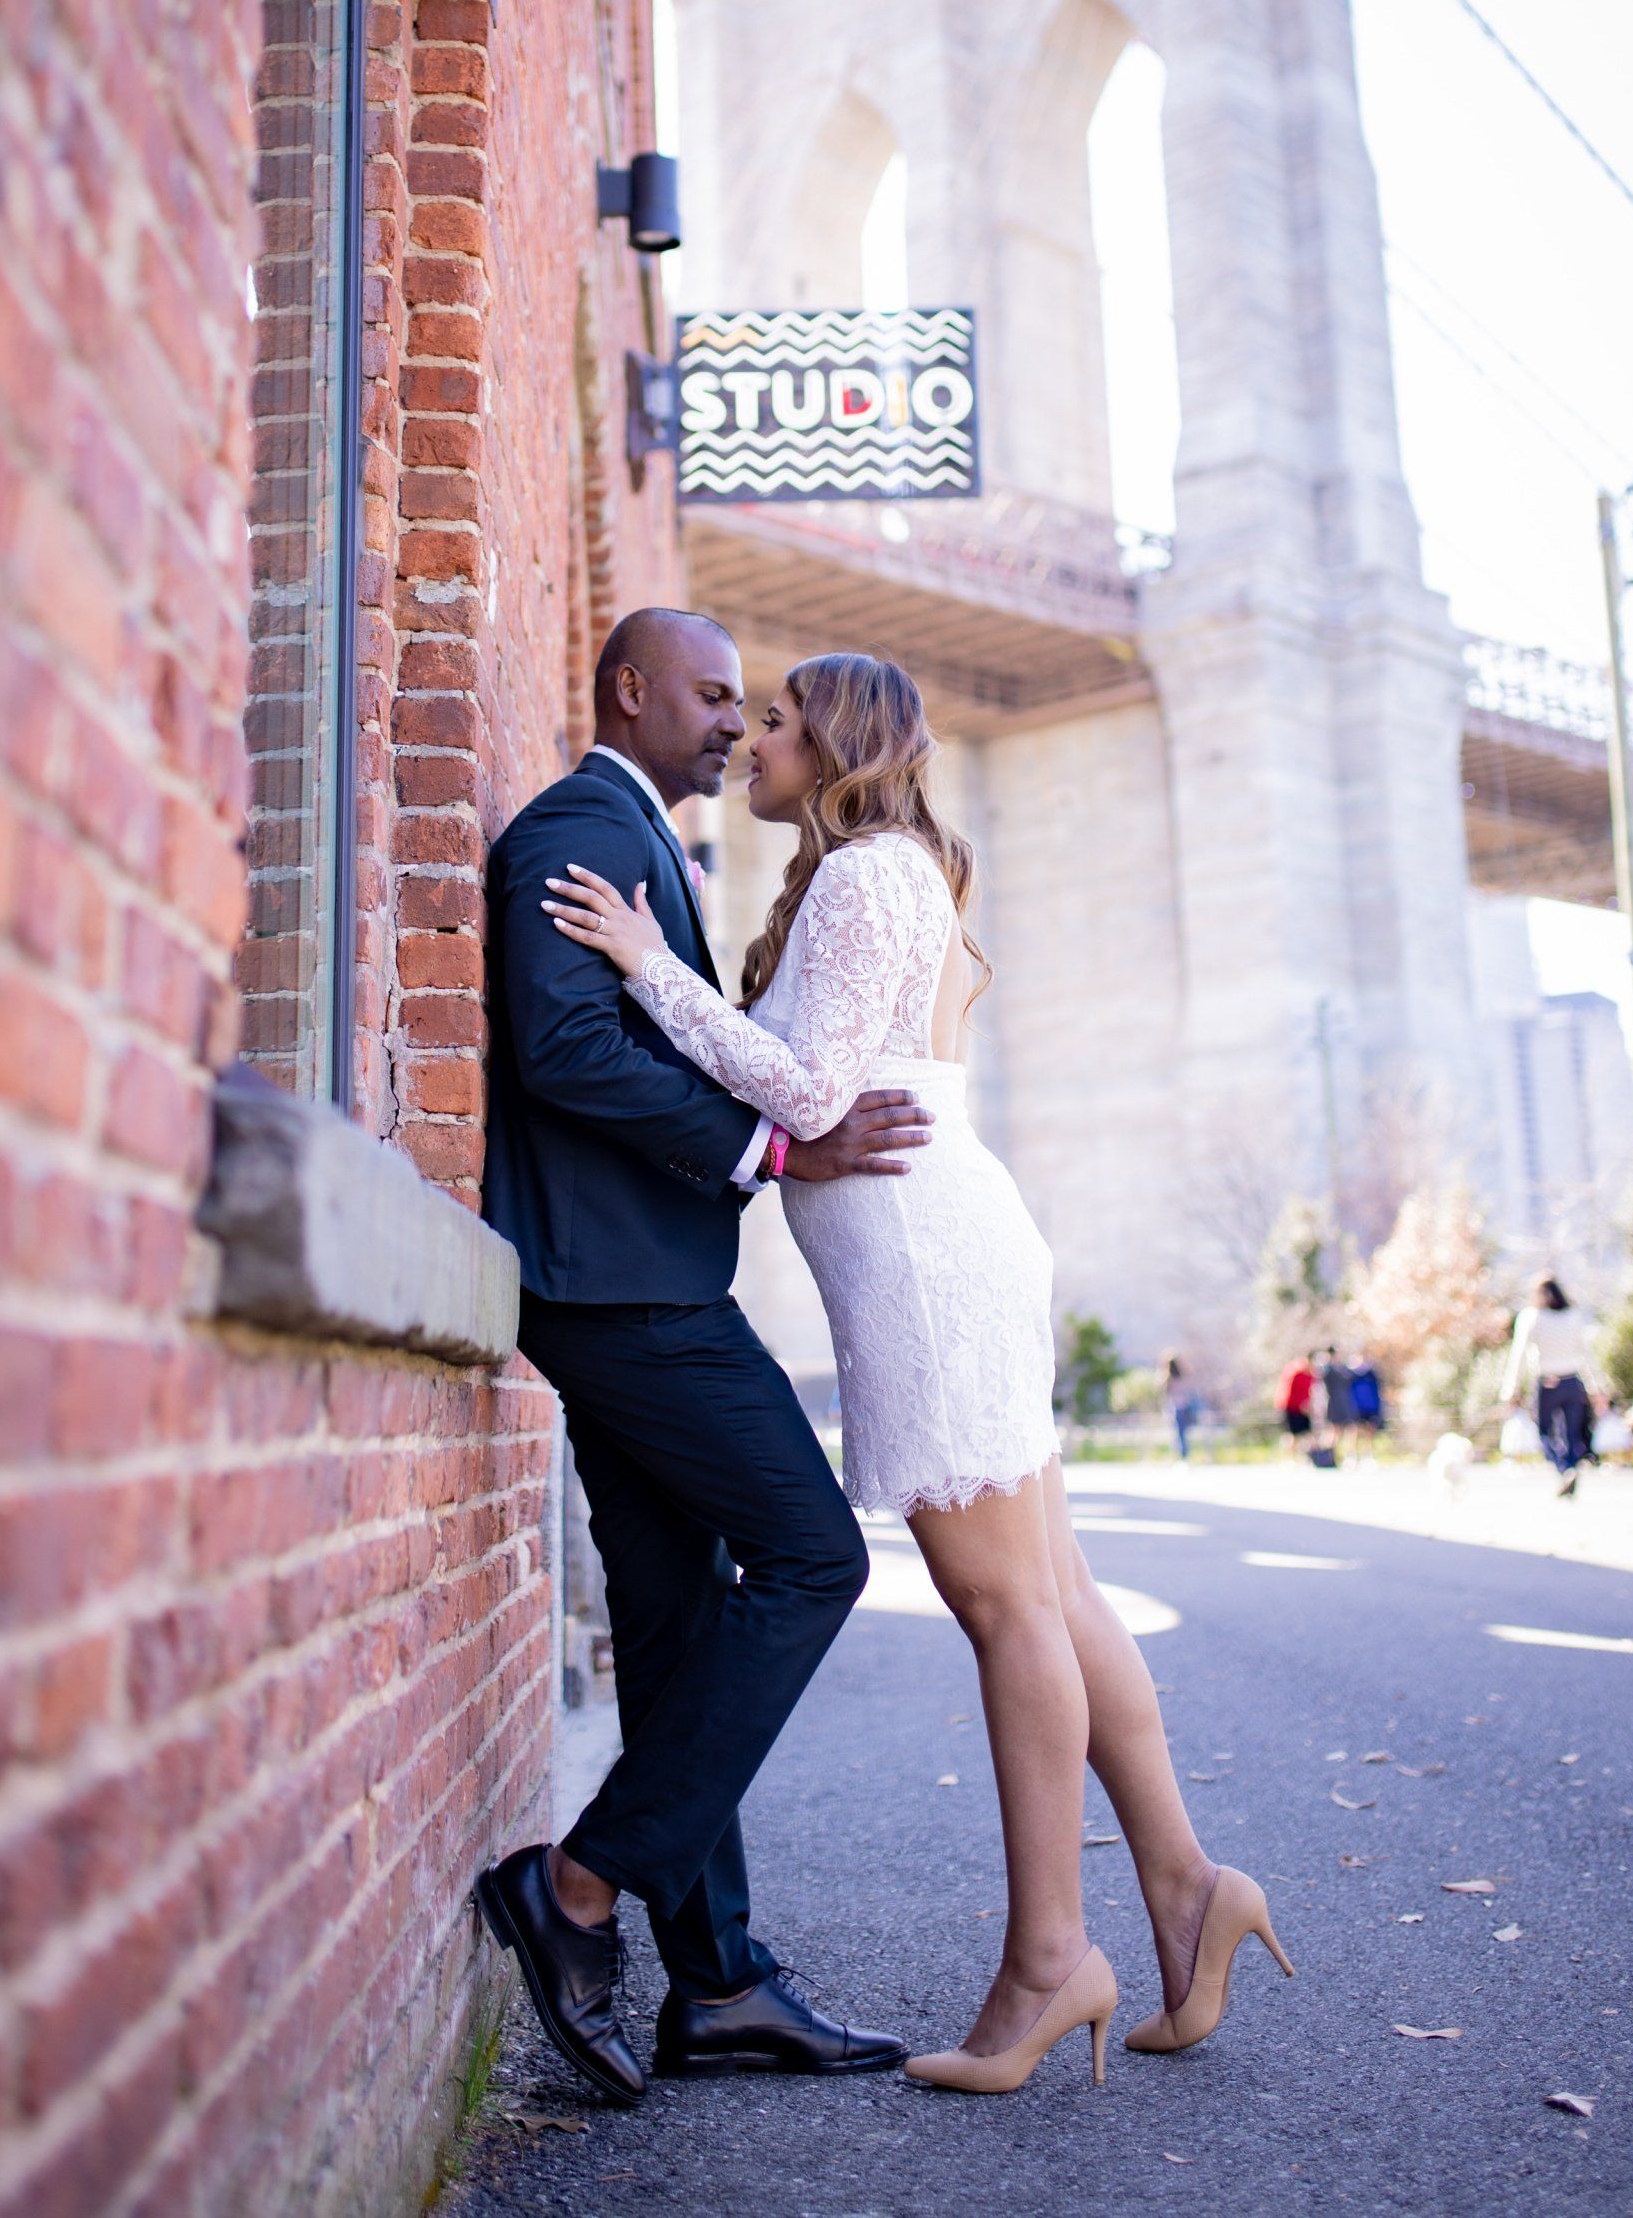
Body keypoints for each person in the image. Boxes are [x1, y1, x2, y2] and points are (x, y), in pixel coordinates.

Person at [549, 645, 1292, 2096]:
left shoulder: (869, 872)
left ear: (841, 741)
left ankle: (1047, 1962)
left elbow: (813, 1090)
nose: (750, 741)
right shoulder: (892, 871)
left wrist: (645, 970)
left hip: (926, 1265)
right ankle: (1188, 1891)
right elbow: (821, 1072)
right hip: (937, 1246)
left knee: (1007, 1602)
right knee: (1054, 1592)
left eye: (774, 720)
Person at [474, 611, 925, 2103]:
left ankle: (721, 1987)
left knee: (676, 1626)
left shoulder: (638, 841)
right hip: (624, 1295)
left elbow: (652, 1029)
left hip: (634, 1280)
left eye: (751, 705)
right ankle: (582, 1889)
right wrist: (768, 1144)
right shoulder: (574, 832)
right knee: (813, 1559)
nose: (735, 723)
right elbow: (567, 1053)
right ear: (632, 691)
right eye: (717, 696)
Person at [1498, 1273, 1595, 1499]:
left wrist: (1510, 1388)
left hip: (1548, 1382)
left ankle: (1564, 1470)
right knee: (1571, 1434)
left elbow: (1519, 1354)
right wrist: (1594, 1385)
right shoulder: (1574, 1316)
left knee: (1544, 1432)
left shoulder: (1532, 1317)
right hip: (1573, 1381)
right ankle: (1570, 1469)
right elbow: (1586, 1353)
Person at [1318, 1345, 1358, 1463]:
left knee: (1350, 1429)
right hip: (1335, 1403)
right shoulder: (1328, 1369)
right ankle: (1325, 1456)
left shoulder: (1343, 1368)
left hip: (1345, 1403)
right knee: (1334, 1431)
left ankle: (1349, 1456)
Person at [1276, 1354, 1317, 1459]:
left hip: (1304, 1409)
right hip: (1292, 1407)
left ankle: (1309, 1457)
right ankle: (1290, 1458)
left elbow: (1309, 1392)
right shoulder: (1296, 1372)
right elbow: (1289, 1392)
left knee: (1308, 1434)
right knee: (1293, 1435)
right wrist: (1300, 1404)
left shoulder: (1311, 1374)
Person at [1161, 1354, 1197, 1462]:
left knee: (1178, 1434)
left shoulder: (1168, 1379)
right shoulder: (1181, 1377)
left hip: (1176, 1408)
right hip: (1184, 1407)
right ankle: (1183, 1456)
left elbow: (1166, 1395)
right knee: (1182, 1433)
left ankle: (1181, 1456)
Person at [1348, 1353, 1383, 1458]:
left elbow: (1377, 1392)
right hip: (1356, 1408)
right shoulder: (1351, 1376)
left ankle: (1368, 1455)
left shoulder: (1372, 1375)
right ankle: (1352, 1456)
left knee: (1369, 1432)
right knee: (1354, 1432)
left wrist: (1377, 1408)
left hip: (1370, 1408)